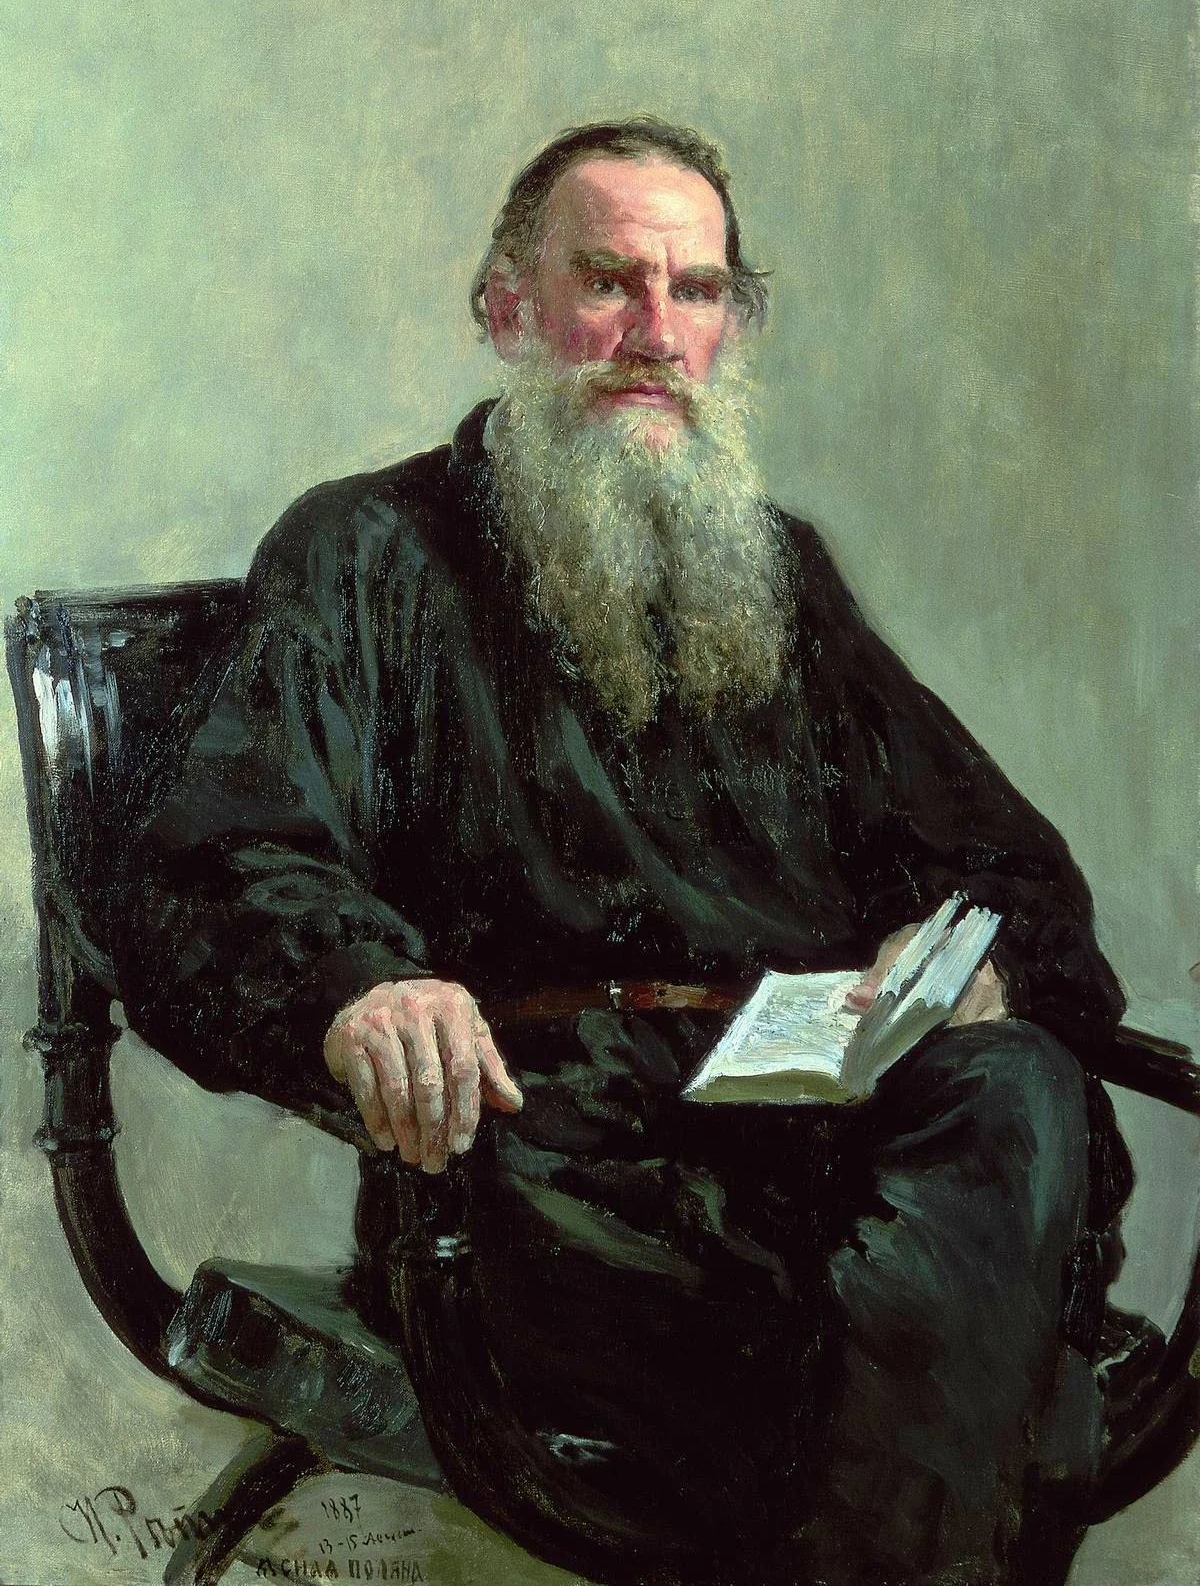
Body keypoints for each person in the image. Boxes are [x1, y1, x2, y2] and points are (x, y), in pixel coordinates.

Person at [114, 118, 1132, 1586]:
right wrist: (362, 989)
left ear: (729, 326)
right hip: (553, 1158)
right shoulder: (367, 550)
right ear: (507, 309)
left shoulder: (778, 572)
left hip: (817, 1133)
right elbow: (218, 857)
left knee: (1016, 1086)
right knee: (965, 1339)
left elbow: (1011, 865)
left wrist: (963, 955)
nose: (657, 334)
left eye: (697, 290)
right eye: (609, 281)